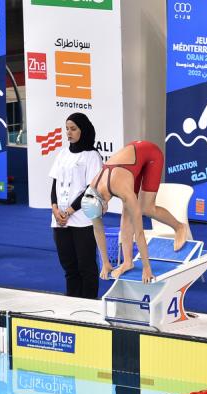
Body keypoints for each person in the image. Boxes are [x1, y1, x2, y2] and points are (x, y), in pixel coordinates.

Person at [80, 140, 187, 284]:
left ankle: (179, 227)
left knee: (146, 208)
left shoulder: (121, 189)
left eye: (101, 214)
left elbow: (139, 232)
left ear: (103, 204)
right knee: (126, 213)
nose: (101, 217)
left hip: (150, 154)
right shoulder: (91, 193)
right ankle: (128, 262)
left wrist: (146, 267)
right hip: (131, 164)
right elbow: (98, 230)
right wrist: (105, 263)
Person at [49, 113, 103, 299]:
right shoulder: (62, 154)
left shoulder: (92, 156)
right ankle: (72, 302)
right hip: (60, 220)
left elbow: (91, 189)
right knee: (69, 266)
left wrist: (69, 211)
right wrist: (55, 209)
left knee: (86, 266)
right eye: (67, 129)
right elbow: (55, 185)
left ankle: (89, 304)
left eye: (73, 129)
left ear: (83, 130)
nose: (69, 133)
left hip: (82, 220)